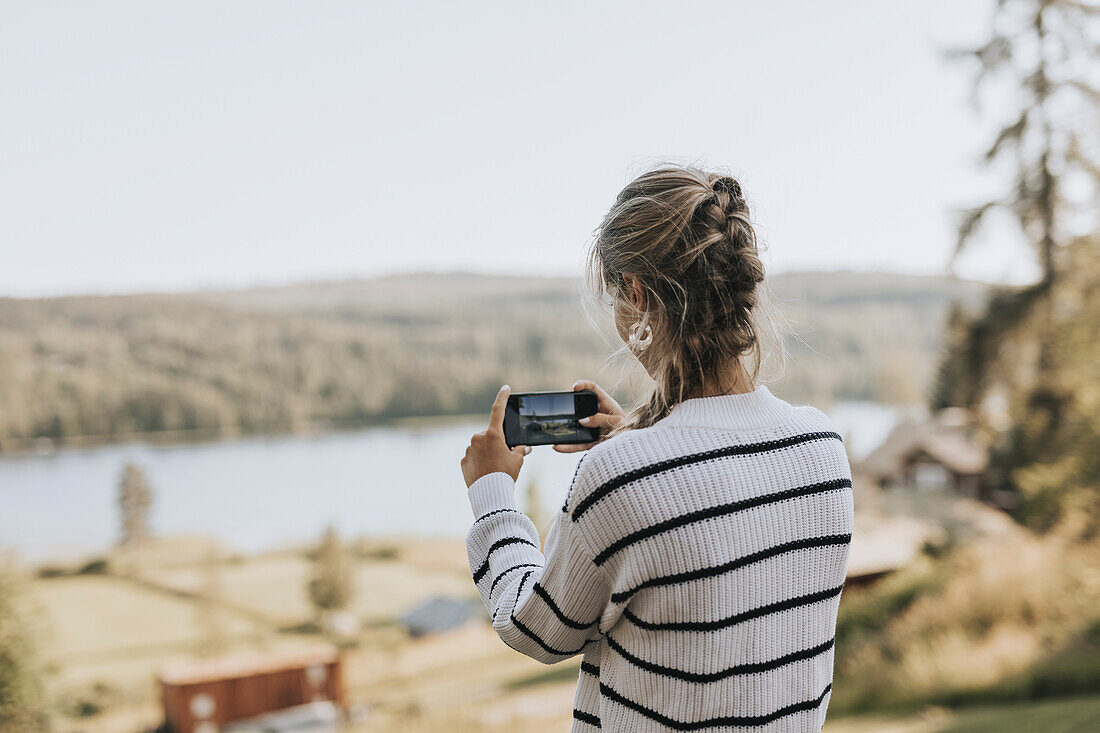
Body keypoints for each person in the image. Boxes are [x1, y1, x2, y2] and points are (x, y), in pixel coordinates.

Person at [460, 165, 854, 732]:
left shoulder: (621, 479)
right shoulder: (822, 448)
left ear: (640, 295)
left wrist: (493, 497)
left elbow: (536, 628)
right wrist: (641, 436)